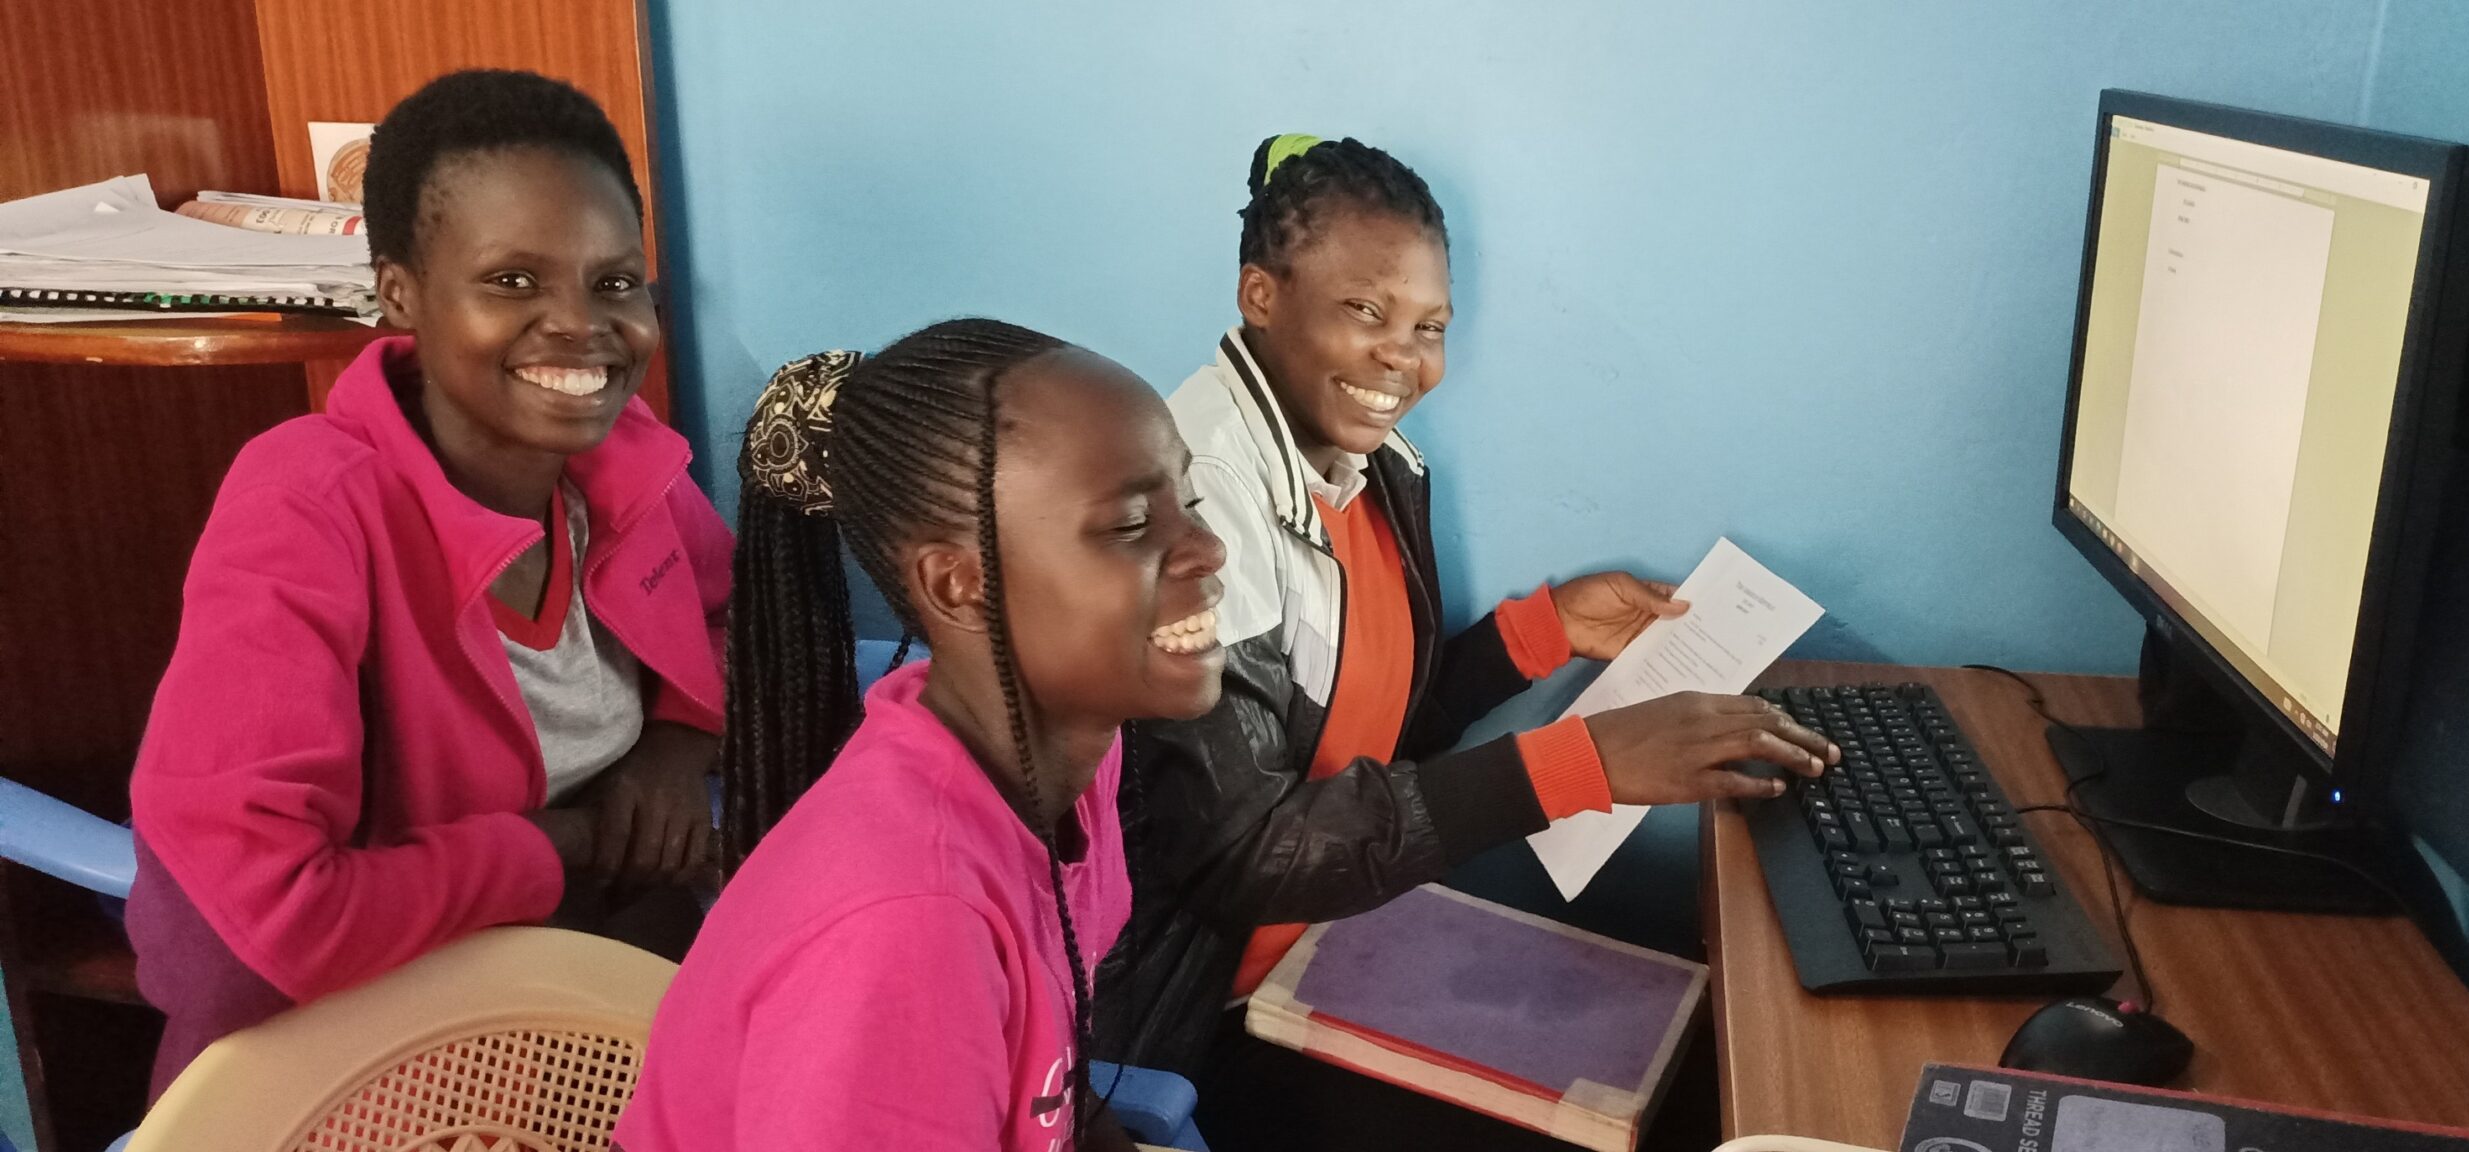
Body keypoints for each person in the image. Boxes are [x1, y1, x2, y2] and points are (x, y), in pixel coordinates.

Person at [1096, 134, 1839, 1144]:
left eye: (1429, 326)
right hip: (1211, 1026)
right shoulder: (1202, 506)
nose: (1402, 358)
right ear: (1260, 295)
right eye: (1366, 311)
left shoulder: (1371, 463)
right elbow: (1243, 852)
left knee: (1690, 1066)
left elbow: (1370, 737)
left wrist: (1540, 635)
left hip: (1347, 933)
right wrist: (1583, 764)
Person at [124, 70, 729, 1091]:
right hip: (356, 1049)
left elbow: (723, 616)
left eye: (615, 281)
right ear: (400, 293)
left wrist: (673, 750)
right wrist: (570, 843)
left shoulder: (623, 462)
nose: (582, 325)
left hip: (575, 981)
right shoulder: (307, 506)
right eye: (513, 282)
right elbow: (280, 917)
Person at [618, 320, 1224, 1151]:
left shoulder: (1073, 759)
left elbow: (1053, 1080)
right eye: (1128, 525)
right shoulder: (907, 926)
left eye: (1184, 501)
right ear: (960, 586)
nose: (1208, 547)